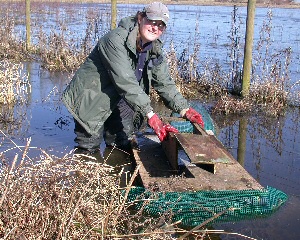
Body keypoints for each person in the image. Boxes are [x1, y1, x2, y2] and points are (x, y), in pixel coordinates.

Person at [62, 2, 205, 155]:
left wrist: (184, 109)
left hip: (120, 100)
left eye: (161, 25)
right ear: (140, 18)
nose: (155, 28)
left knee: (121, 145)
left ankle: (117, 171)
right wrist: (151, 115)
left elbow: (164, 82)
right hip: (91, 98)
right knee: (89, 149)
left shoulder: (153, 48)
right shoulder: (114, 40)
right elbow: (126, 82)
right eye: (152, 21)